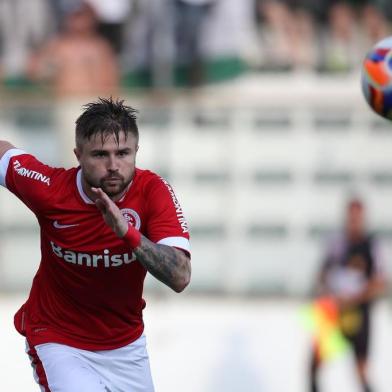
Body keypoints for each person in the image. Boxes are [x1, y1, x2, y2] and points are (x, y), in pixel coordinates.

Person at [0, 97, 191, 392]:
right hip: (58, 339)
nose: (114, 166)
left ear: (136, 151)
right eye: (100, 154)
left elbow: (181, 276)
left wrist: (127, 233)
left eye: (123, 153)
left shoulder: (153, 191)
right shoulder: (50, 189)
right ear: (78, 154)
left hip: (126, 345)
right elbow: (3, 152)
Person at [309, 198, 386, 392]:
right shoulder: (337, 243)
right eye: (351, 215)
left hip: (359, 316)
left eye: (357, 216)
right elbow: (322, 274)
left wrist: (356, 296)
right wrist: (329, 292)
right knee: (315, 363)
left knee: (361, 371)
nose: (354, 220)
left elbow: (381, 281)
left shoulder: (371, 245)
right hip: (335, 313)